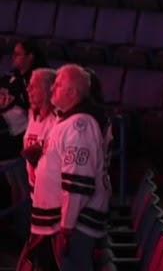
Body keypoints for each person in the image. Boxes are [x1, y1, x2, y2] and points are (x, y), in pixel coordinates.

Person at [20, 64, 111, 271]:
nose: (52, 89)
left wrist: (67, 227)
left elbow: (78, 182)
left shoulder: (81, 126)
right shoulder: (69, 121)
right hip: (57, 225)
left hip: (69, 228)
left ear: (72, 92)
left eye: (58, 85)